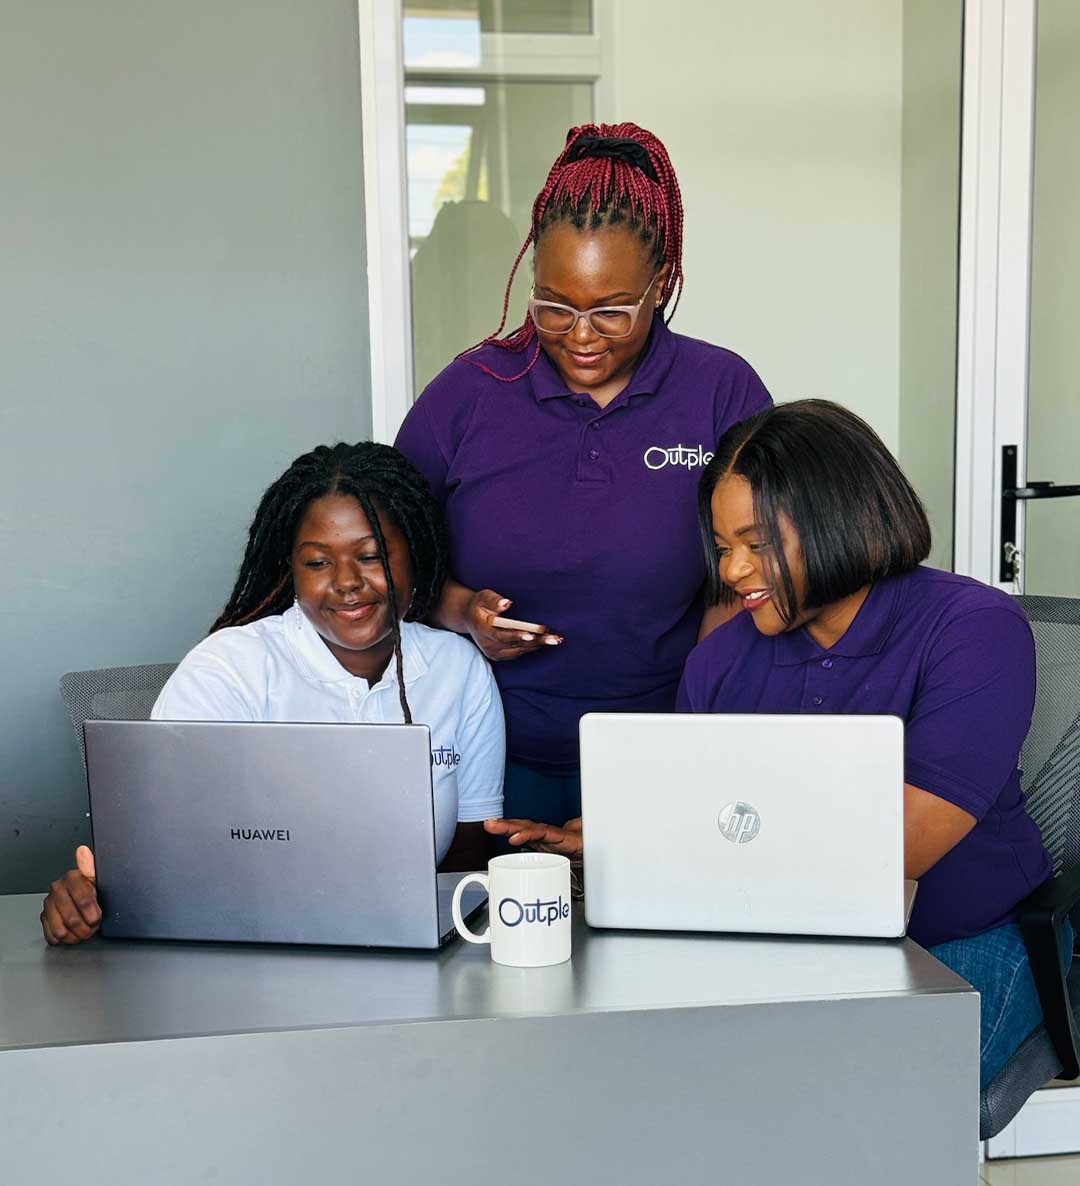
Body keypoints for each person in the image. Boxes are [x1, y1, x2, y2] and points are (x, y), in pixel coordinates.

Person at [487, 399, 1068, 1090]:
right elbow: (707, 819)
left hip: (961, 938)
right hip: (777, 944)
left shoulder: (973, 628)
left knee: (855, 1099)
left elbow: (899, 850)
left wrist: (682, 843)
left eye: (757, 543)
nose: (732, 571)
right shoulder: (719, 661)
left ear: (840, 518)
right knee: (650, 1077)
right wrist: (619, 841)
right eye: (722, 547)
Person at [396, 121, 772, 827]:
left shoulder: (721, 391)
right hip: (486, 751)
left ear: (661, 283)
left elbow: (756, 566)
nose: (580, 336)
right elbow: (392, 555)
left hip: (665, 751)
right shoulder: (469, 393)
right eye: (554, 306)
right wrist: (464, 613)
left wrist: (692, 738)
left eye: (611, 312)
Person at [41, 442, 505, 945]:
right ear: (291, 570)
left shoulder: (458, 670)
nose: (347, 582)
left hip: (407, 946)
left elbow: (467, 858)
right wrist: (94, 896)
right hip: (242, 947)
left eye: (370, 556)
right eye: (317, 562)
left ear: (415, 552)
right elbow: (161, 853)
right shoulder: (229, 667)